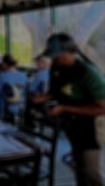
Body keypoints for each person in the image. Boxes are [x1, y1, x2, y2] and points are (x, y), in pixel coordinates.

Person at [33, 33, 105, 186]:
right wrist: (44, 97)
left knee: (90, 171)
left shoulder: (87, 73)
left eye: (57, 56)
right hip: (72, 125)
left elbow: (102, 108)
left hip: (91, 128)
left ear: (70, 52)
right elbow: (56, 91)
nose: (53, 59)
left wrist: (64, 108)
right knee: (79, 166)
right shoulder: (56, 68)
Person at [0, 54, 28, 122]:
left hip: (5, 110)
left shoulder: (2, 76)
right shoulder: (24, 75)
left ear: (5, 64)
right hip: (21, 108)